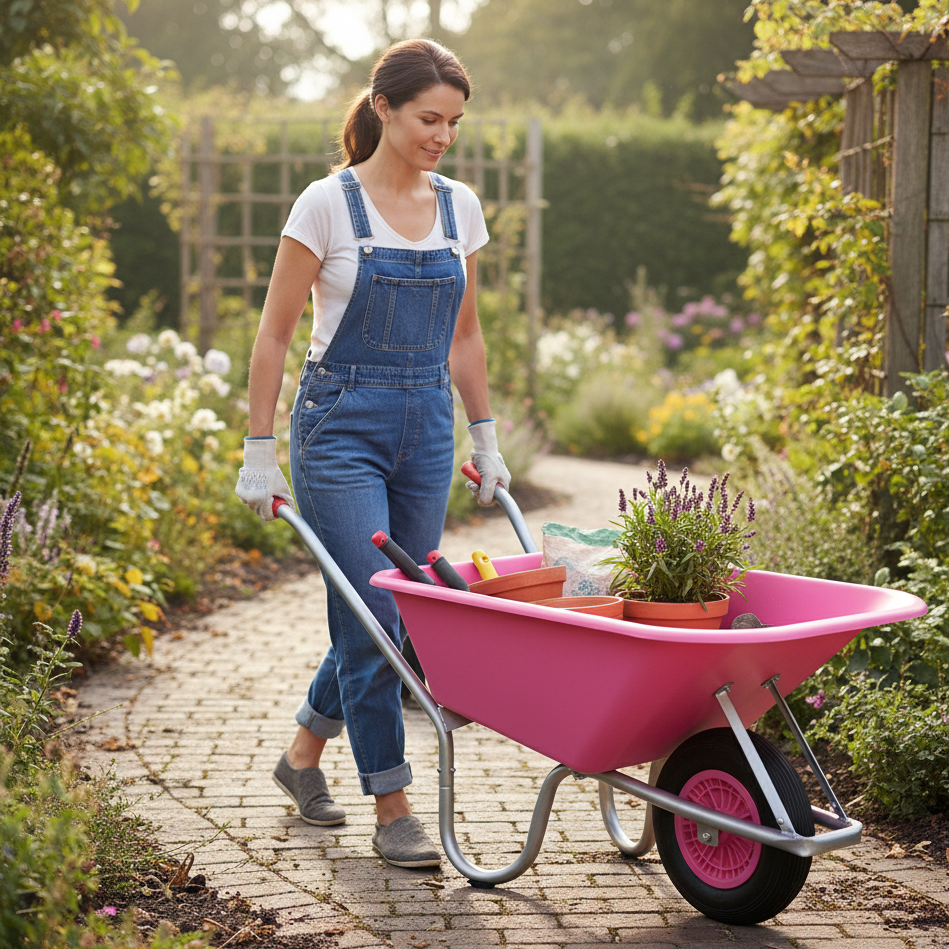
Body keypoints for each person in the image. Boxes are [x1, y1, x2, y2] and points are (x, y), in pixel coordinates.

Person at [235, 38, 510, 869]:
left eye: (454, 123)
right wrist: (258, 449)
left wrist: (485, 434)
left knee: (394, 610)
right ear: (383, 107)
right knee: (373, 614)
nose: (443, 136)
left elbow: (465, 336)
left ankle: (301, 756)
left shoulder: (459, 208)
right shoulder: (326, 204)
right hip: (339, 427)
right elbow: (273, 334)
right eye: (429, 118)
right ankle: (393, 804)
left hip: (426, 425)